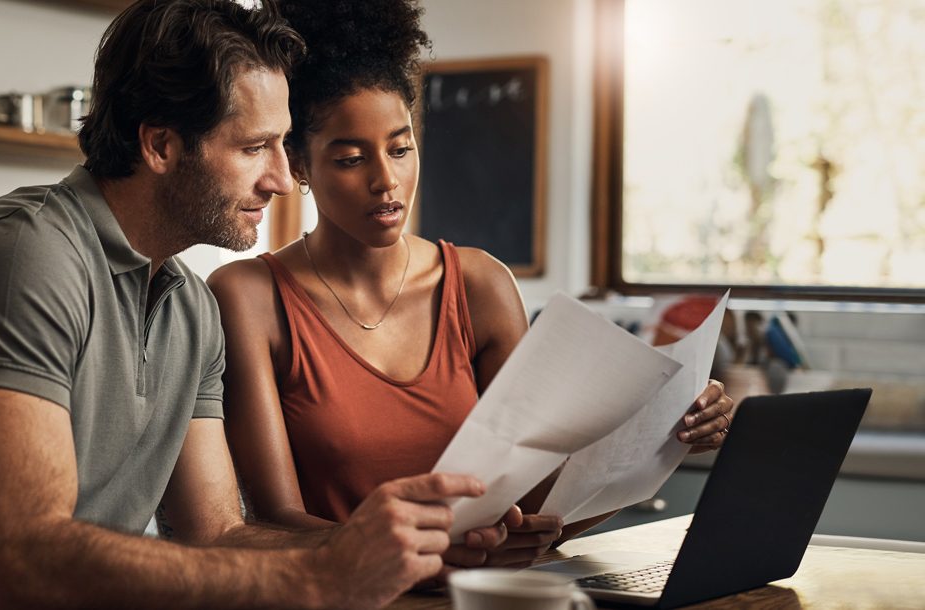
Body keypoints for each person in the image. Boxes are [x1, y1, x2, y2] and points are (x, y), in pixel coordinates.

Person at [0, 2, 507, 608]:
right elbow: (25, 564)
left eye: (281, 145)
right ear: (160, 145)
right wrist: (317, 580)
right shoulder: (26, 260)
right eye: (253, 148)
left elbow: (216, 533)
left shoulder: (188, 307)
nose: (279, 177)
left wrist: (363, 546)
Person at [207, 0, 736, 574]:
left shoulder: (480, 284)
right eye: (351, 158)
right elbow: (272, 520)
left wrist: (668, 437)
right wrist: (433, 554)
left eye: (401, 148)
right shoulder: (249, 296)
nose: (386, 180)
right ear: (299, 165)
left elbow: (539, 506)